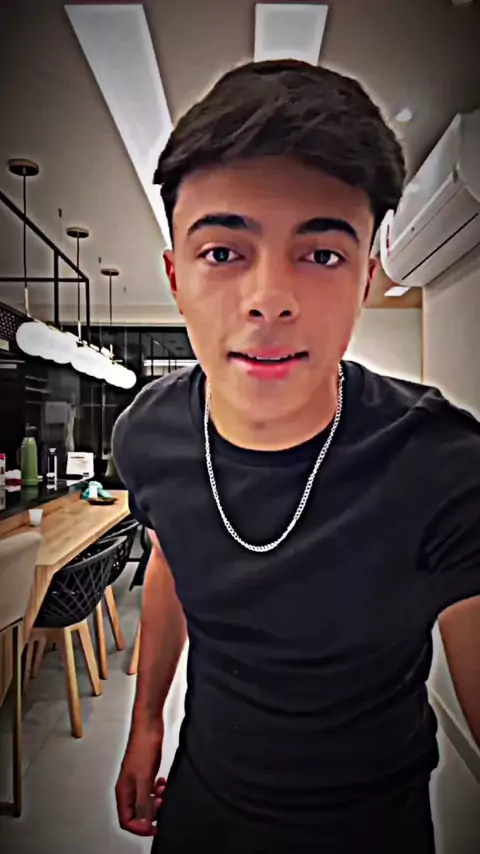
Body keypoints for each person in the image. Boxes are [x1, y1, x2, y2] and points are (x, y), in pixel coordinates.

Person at [112, 59, 480, 853]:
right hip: (203, 807)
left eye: (321, 255)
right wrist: (146, 725)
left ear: (366, 278)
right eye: (223, 253)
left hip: (372, 827)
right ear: (175, 276)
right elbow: (173, 554)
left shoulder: (442, 464)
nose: (269, 300)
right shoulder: (147, 433)